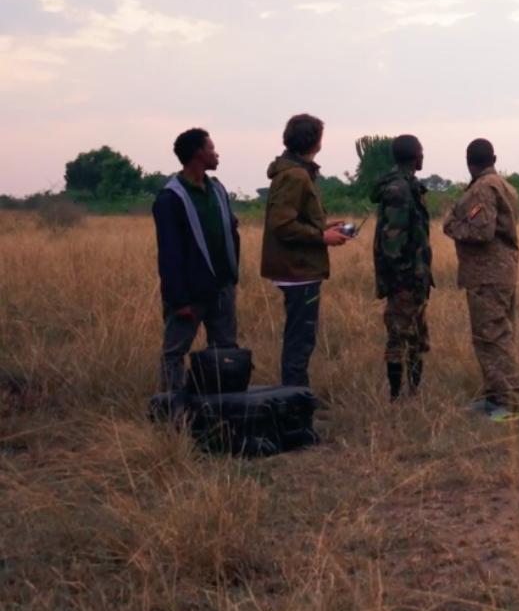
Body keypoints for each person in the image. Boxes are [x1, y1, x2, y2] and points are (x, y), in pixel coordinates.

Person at [260, 113, 351, 388]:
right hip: (298, 271)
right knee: (300, 339)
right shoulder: (295, 176)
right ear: (316, 142)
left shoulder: (294, 172)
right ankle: (294, 403)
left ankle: (296, 398)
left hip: (298, 269)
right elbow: (283, 224)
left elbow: (291, 218)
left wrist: (324, 225)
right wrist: (321, 236)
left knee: (300, 337)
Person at [151, 128, 241, 392]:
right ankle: (170, 409)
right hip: (190, 295)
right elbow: (169, 254)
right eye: (212, 149)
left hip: (222, 287)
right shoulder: (170, 198)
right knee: (175, 352)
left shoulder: (217, 190)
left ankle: (222, 407)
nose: (217, 154)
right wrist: (179, 301)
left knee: (225, 352)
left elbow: (230, 231)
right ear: (198, 155)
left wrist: (231, 278)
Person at [442, 138, 519, 422]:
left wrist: (451, 225)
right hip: (500, 271)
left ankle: (508, 403)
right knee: (492, 335)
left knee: (493, 337)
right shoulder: (504, 185)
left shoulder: (482, 189)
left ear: (468, 162)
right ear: (494, 158)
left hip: (488, 273)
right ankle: (494, 397)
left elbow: (481, 231)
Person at [371, 134, 434, 400]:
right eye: (421, 152)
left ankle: (413, 393)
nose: (423, 156)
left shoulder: (409, 185)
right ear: (414, 156)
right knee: (399, 338)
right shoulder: (399, 189)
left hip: (415, 278)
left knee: (417, 338)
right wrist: (403, 279)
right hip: (404, 280)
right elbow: (393, 241)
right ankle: (396, 397)